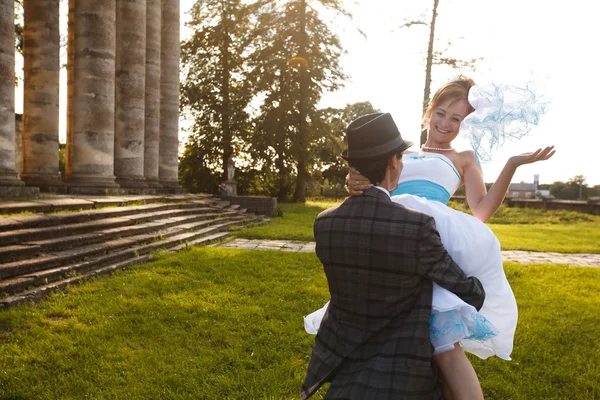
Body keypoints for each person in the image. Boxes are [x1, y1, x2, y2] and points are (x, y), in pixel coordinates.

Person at [305, 77, 555, 399]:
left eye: (457, 118)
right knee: (400, 330)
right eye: (441, 113)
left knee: (443, 344)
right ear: (429, 111)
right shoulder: (396, 151)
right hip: (390, 232)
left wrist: (511, 165)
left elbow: (481, 210)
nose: (446, 123)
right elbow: (373, 182)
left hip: (429, 235)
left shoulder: (463, 157)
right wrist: (353, 181)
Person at [301, 112, 486, 400]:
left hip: (345, 363)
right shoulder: (417, 225)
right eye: (401, 158)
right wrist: (480, 287)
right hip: (403, 376)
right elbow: (463, 288)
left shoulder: (325, 222)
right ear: (392, 163)